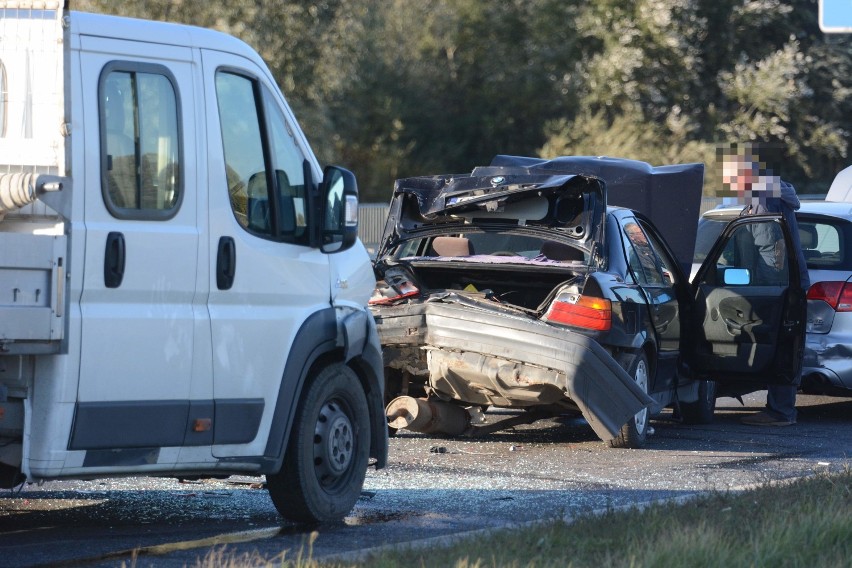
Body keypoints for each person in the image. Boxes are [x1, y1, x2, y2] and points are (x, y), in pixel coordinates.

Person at [721, 149, 810, 426]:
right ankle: (780, 409)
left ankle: (780, 412)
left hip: (779, 287)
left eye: (732, 179)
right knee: (783, 345)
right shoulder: (766, 195)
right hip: (785, 285)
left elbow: (773, 252)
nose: (730, 185)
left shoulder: (762, 200)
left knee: (782, 346)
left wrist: (765, 288)